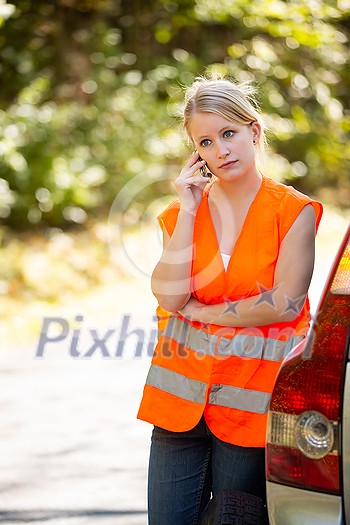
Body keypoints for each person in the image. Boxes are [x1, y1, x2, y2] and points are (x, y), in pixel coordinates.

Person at [137, 75, 323, 525]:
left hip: (249, 402)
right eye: (206, 141)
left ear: (253, 131)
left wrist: (203, 312)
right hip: (179, 403)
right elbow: (168, 292)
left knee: (233, 519)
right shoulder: (180, 212)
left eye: (229, 133)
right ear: (195, 152)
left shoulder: (292, 211)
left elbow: (284, 304)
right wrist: (187, 208)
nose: (221, 150)